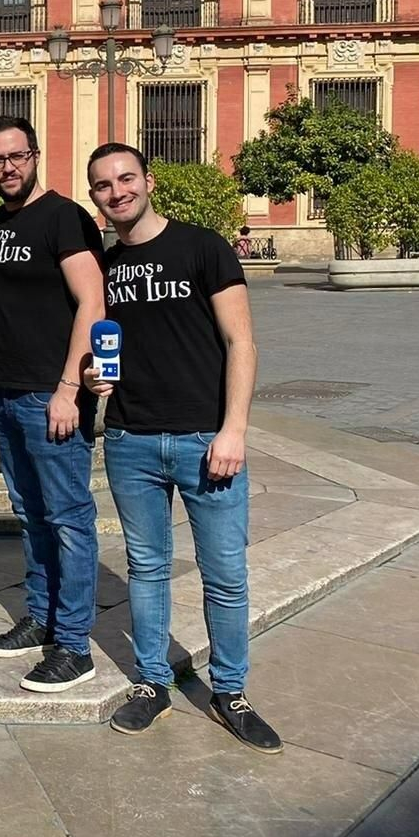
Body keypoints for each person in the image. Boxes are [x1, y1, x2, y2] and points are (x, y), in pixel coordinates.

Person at [84, 143, 280, 754]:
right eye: (103, 186)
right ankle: (152, 683)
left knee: (225, 575)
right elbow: (104, 347)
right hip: (130, 438)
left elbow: (240, 343)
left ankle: (231, 692)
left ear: (149, 180)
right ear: (95, 197)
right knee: (146, 570)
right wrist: (95, 379)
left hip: (205, 438)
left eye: (125, 179)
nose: (117, 192)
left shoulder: (203, 247)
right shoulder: (106, 265)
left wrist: (235, 430)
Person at [0, 116, 106, 691]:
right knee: (30, 515)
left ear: (35, 156)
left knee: (69, 518)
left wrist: (68, 390)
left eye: (17, 156)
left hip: (51, 396)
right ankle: (43, 616)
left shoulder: (64, 217)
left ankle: (75, 647)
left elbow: (92, 300)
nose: (8, 167)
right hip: (7, 394)